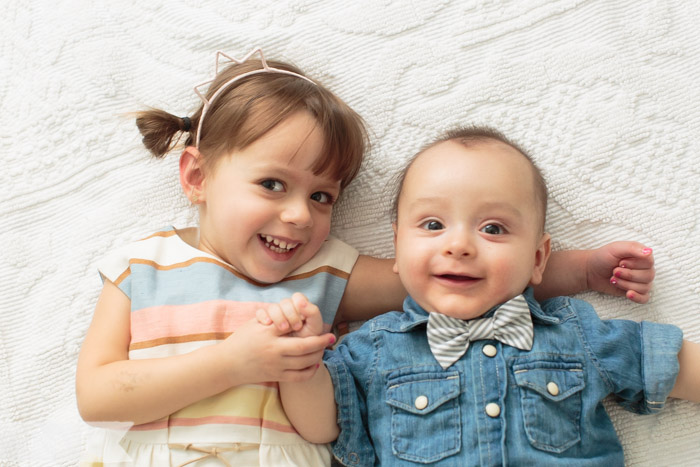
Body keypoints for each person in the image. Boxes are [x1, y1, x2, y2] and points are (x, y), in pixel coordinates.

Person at [75, 46, 655, 466]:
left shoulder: (325, 270)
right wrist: (234, 363)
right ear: (197, 174)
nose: (301, 215)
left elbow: (452, 276)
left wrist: (579, 269)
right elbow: (95, 397)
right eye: (273, 185)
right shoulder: (141, 265)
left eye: (322, 195)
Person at [274, 126, 700, 466]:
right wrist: (301, 363)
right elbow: (320, 426)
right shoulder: (372, 349)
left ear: (537, 259)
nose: (458, 245)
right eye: (433, 225)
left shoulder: (575, 333)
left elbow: (673, 365)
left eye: (493, 228)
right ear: (398, 250)